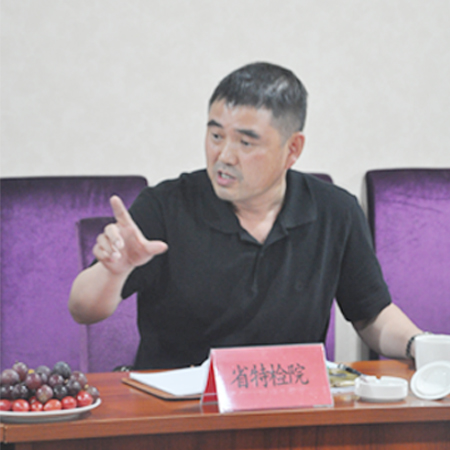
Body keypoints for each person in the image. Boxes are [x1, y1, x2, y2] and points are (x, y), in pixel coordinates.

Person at [69, 62, 423, 370]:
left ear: (292, 149)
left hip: (288, 406)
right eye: (216, 135)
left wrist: (419, 346)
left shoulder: (335, 212)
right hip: (181, 409)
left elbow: (371, 314)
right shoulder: (166, 205)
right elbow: (83, 309)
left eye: (245, 142)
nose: (224, 156)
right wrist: (113, 272)